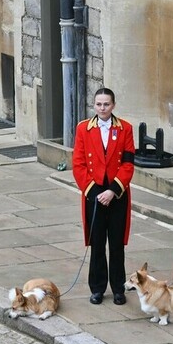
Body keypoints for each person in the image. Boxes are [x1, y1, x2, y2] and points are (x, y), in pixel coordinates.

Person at [72, 88, 135, 306]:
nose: (102, 108)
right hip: (94, 195)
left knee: (116, 244)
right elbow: (78, 165)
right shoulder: (83, 128)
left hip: (116, 194)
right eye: (98, 104)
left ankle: (118, 288)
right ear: (94, 105)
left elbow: (128, 164)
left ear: (113, 105)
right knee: (97, 243)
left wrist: (113, 191)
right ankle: (97, 288)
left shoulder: (125, 128)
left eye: (106, 104)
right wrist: (95, 192)